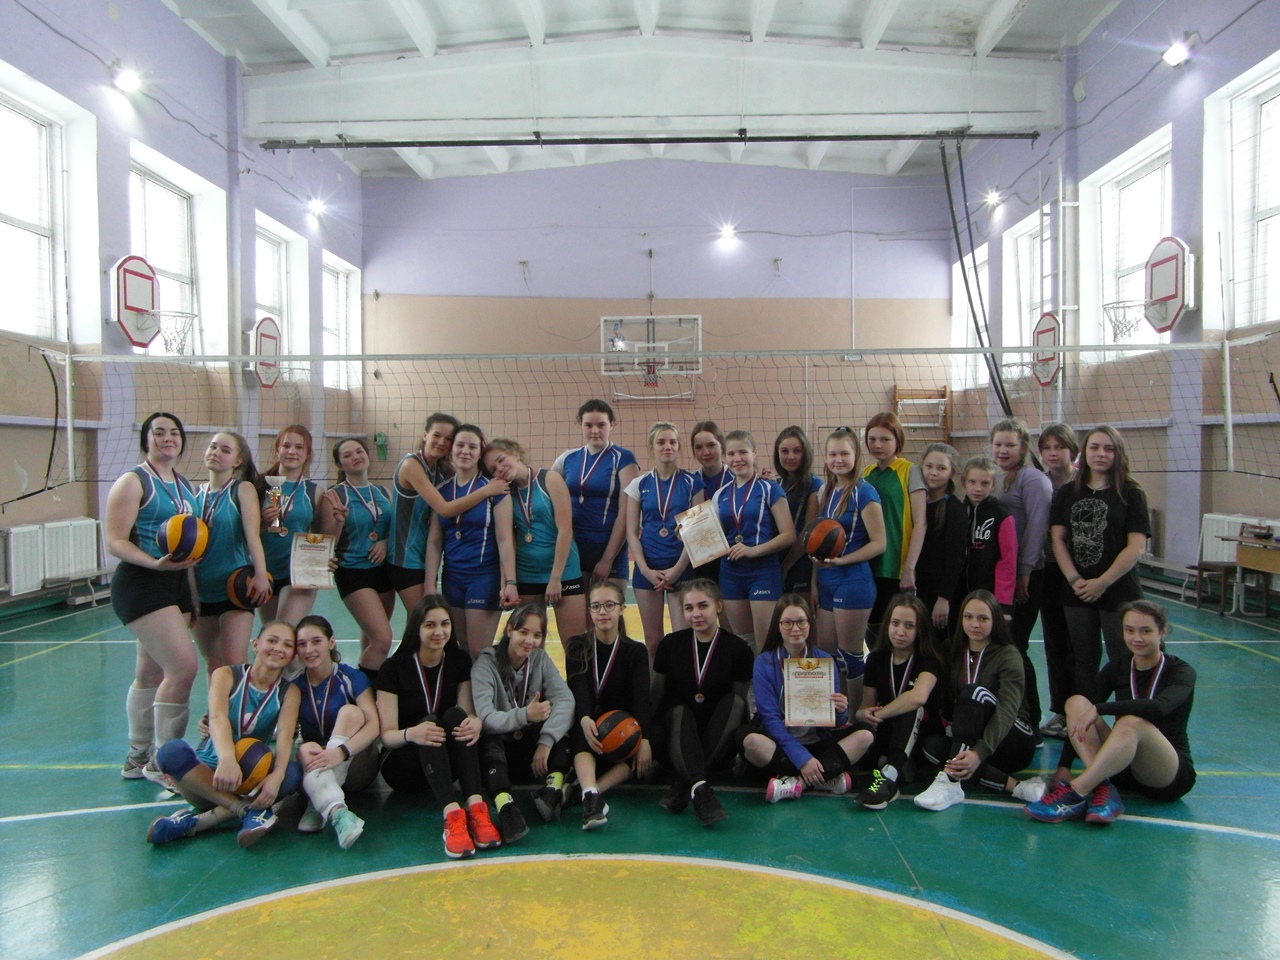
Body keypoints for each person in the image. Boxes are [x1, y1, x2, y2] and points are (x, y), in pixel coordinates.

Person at [1026, 600, 1195, 824]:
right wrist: (1064, 765)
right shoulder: (1119, 667)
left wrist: (1101, 708)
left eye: (1145, 631)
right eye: (1129, 630)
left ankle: (1075, 792)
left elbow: (1159, 707)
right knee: (1077, 703)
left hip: (1165, 774)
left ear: (1162, 632)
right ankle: (1103, 786)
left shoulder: (1180, 671)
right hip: (1122, 766)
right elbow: (1082, 712)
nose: (1136, 638)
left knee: (1130, 721)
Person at [145, 620, 302, 848]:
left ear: (292, 654)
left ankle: (198, 822)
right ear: (256, 644)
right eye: (272, 640)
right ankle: (248, 811)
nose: (279, 648)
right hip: (209, 776)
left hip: (250, 777)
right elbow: (217, 717)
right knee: (170, 751)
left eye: (287, 645)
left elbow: (286, 735)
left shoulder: (289, 691)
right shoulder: (226, 674)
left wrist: (277, 775)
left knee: (292, 772)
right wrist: (227, 760)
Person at [108, 412, 200, 780]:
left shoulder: (184, 485)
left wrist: (192, 595)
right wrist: (153, 563)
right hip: (142, 580)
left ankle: (137, 756)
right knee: (184, 668)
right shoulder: (133, 482)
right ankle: (167, 762)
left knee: (149, 671)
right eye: (158, 432)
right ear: (146, 439)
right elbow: (114, 540)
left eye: (174, 432)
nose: (168, 438)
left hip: (175, 582)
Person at [375, 594, 503, 859]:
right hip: (404, 764)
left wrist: (475, 722)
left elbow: (465, 713)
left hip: (445, 763)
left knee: (458, 717)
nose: (439, 632)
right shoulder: (393, 668)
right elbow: (387, 737)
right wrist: (412, 733)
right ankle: (452, 816)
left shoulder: (459, 661)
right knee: (430, 724)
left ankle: (476, 809)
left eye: (445, 624)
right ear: (416, 628)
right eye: (430, 625)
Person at [913, 590, 1045, 812]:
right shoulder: (951, 649)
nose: (974, 624)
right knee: (931, 747)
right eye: (968, 617)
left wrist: (979, 752)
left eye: (983, 618)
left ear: (995, 621)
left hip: (1013, 740)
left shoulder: (1008, 654)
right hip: (972, 741)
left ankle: (950, 781)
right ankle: (1015, 787)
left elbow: (1007, 711)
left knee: (974, 693)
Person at [1049, 425, 1151, 697]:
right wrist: (1074, 579)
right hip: (1077, 590)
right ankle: (1087, 717)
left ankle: (1125, 716)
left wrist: (1103, 582)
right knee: (1083, 659)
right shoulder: (1068, 492)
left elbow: (1136, 546)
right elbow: (1057, 539)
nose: (1100, 454)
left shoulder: (1131, 493)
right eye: (1094, 447)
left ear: (1118, 453)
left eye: (1108, 448)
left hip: (1118, 589)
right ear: (1084, 452)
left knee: (1123, 659)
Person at [736, 594, 859, 802]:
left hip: (816, 741)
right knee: (748, 739)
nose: (795, 629)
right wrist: (802, 759)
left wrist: (841, 711)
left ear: (810, 624)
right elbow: (769, 719)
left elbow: (835, 723)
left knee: (865, 734)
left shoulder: (824, 660)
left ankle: (797, 783)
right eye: (787, 623)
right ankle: (825, 776)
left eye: (801, 622)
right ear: (778, 626)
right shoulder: (764, 662)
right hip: (780, 744)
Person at [650, 580, 753, 826]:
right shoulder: (670, 644)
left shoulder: (738, 649)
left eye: (703, 606)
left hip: (716, 741)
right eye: (689, 608)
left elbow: (738, 703)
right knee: (679, 711)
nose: (695, 614)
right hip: (676, 739)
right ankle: (700, 788)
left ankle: (687, 782)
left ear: (719, 606)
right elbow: (657, 695)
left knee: (736, 703)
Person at [471, 603, 576, 840]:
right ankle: (506, 808)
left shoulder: (539, 659)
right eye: (523, 632)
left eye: (537, 635)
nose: (530, 641)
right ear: (509, 630)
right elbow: (486, 718)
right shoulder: (485, 664)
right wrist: (525, 715)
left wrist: (546, 741)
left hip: (533, 754)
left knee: (563, 729)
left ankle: (552, 790)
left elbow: (565, 699)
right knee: (487, 742)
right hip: (501, 752)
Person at [387, 413, 508, 614]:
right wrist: (487, 490)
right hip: (406, 558)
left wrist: (483, 451)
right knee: (424, 620)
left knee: (420, 624)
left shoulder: (440, 469)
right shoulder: (412, 465)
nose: (442, 442)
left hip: (424, 558)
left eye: (448, 438)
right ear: (425, 435)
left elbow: (469, 476)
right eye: (436, 435)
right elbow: (445, 509)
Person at [563, 582, 653, 830]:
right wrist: (584, 717)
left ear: (622, 608)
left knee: (647, 742)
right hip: (590, 724)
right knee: (582, 727)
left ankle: (589, 792)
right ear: (589, 611)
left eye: (609, 605)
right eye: (596, 606)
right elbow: (578, 687)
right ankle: (591, 794)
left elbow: (641, 698)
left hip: (622, 728)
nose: (602, 612)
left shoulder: (635, 651)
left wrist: (644, 738)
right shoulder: (577, 645)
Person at [425, 424, 516, 657]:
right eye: (460, 445)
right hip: (452, 578)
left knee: (479, 649)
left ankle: (490, 683)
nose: (465, 451)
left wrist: (511, 582)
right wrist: (429, 584)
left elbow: (505, 539)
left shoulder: (496, 489)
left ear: (480, 452)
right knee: (461, 646)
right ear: (451, 449)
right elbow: (434, 542)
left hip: (483, 577)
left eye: (472, 447)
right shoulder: (441, 491)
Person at [290, 615, 380, 849]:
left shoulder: (352, 677)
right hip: (314, 762)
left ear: (331, 642)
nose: (309, 650)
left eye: (316, 641)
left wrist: (340, 752)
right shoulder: (295, 686)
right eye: (302, 644)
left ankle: (317, 802)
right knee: (306, 748)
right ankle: (336, 811)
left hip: (356, 763)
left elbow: (374, 725)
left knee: (351, 712)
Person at [484, 437, 586, 642]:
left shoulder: (550, 479)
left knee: (575, 645)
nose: (499, 469)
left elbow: (565, 530)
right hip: (527, 574)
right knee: (528, 646)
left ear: (515, 453)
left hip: (564, 573)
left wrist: (555, 579)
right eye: (493, 469)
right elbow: (506, 540)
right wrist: (507, 583)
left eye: (501, 460)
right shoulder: (505, 493)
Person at [812, 427, 886, 705]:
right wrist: (814, 582)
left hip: (853, 580)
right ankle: (837, 715)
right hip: (827, 581)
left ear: (856, 455)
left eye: (844, 453)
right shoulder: (827, 491)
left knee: (849, 657)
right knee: (827, 656)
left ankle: (856, 717)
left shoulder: (864, 492)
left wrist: (843, 560)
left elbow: (879, 543)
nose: (838, 459)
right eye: (832, 454)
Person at [849, 594, 942, 810]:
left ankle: (888, 780)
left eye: (909, 626)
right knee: (859, 737)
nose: (900, 631)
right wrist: (864, 714)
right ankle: (897, 764)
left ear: (919, 630)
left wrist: (879, 714)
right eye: (895, 623)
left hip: (921, 735)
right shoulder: (876, 659)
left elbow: (918, 697)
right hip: (888, 732)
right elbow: (866, 706)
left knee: (911, 707)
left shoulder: (928, 659)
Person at [990, 417, 1054, 731]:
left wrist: (1025, 571)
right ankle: (1006, 712)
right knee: (1001, 645)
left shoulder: (1033, 479)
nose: (1003, 450)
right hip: (1001, 576)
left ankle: (1031, 717)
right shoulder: (995, 477)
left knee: (1016, 645)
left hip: (1026, 575)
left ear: (1024, 447)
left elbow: (1038, 529)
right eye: (998, 444)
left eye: (1010, 445)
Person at [192, 430, 272, 674]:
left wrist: (261, 574)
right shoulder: (194, 494)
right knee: (213, 663)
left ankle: (239, 701)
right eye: (213, 447)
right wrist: (191, 593)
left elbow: (253, 535)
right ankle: (216, 702)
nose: (216, 452)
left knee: (234, 663)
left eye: (225, 450)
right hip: (202, 589)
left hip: (235, 587)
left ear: (238, 461)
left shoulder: (242, 489)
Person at [625, 421, 701, 660]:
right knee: (653, 641)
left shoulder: (693, 483)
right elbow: (631, 532)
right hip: (648, 570)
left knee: (683, 639)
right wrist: (645, 570)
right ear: (651, 447)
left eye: (672, 442)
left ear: (678, 447)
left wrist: (677, 570)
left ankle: (681, 685)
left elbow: (696, 532)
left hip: (681, 567)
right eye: (661, 442)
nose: (667, 446)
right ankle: (654, 685)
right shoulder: (639, 484)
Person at [318, 437, 395, 675]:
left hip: (383, 570)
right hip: (353, 571)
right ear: (340, 464)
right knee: (383, 640)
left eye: (359, 451)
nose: (356, 457)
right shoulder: (335, 495)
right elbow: (326, 542)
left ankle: (367, 686)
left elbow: (393, 529)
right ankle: (364, 687)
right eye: (348, 455)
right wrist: (338, 521)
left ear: (367, 455)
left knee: (371, 640)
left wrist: (385, 542)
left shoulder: (382, 491)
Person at [713, 430, 796, 648]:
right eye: (731, 454)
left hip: (762, 571)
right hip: (730, 573)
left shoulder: (770, 488)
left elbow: (789, 534)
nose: (737, 458)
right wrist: (687, 533)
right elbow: (712, 535)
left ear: (754, 453)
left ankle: (767, 673)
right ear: (725, 458)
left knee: (766, 643)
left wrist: (753, 551)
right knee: (743, 643)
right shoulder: (721, 495)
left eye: (743, 452)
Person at [553, 399, 640, 599]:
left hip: (609, 551)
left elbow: (626, 512)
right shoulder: (567, 458)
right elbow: (547, 492)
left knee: (608, 612)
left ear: (612, 425)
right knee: (579, 616)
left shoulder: (624, 458)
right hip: (574, 551)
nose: (595, 431)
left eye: (601, 425)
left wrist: (607, 559)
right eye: (588, 425)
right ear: (580, 425)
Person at [862, 412, 926, 633]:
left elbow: (921, 523)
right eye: (872, 439)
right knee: (872, 630)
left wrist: (909, 568)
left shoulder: (910, 471)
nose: (877, 445)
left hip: (896, 567)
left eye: (885, 439)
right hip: (869, 565)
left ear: (898, 440)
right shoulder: (867, 474)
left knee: (896, 632)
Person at [1036, 423, 1080, 739]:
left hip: (1080, 573)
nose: (1053, 453)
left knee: (1080, 646)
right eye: (1047, 448)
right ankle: (1060, 711)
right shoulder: (1039, 482)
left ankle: (1082, 712)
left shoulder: (1083, 484)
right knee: (1055, 642)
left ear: (1072, 451)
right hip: (1049, 571)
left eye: (1059, 447)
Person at [258, 424, 325, 626]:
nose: (292, 451)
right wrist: (262, 521)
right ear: (277, 450)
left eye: (299, 447)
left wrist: (325, 559)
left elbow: (320, 536)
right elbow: (245, 530)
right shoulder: (259, 485)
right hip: (266, 571)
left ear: (308, 454)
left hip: (299, 571)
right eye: (286, 446)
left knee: (284, 629)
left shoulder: (314, 492)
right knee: (272, 633)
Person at [914, 442, 968, 635]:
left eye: (941, 468)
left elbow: (956, 558)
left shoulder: (954, 510)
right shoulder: (918, 503)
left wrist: (944, 599)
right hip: (920, 588)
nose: (933, 473)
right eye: (929, 466)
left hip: (940, 595)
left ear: (951, 473)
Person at [956, 455, 1017, 613]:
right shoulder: (957, 512)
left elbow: (1008, 561)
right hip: (958, 594)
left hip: (989, 595)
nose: (978, 488)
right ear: (963, 482)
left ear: (993, 485)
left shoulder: (1002, 516)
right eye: (972, 482)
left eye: (985, 483)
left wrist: (1003, 602)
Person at [767, 426, 821, 595]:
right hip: (776, 561)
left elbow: (808, 532)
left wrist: (787, 565)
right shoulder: (776, 484)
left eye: (797, 451)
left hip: (800, 562)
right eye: (785, 451)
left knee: (799, 610)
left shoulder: (814, 485)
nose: (790, 456)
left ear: (805, 453)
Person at [689, 420, 732, 591]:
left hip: (733, 557)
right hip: (702, 559)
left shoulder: (738, 478)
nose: (706, 452)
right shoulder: (690, 482)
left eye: (711, 445)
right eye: (699, 447)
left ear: (722, 446)